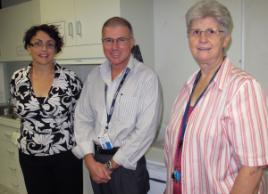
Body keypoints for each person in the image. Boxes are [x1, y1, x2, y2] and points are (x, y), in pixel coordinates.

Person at [164, 1, 268, 194]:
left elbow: (253, 168)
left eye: (211, 31)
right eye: (195, 32)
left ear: (225, 39)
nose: (202, 38)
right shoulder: (186, 88)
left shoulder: (243, 88)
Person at [74, 16, 162, 194]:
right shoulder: (94, 76)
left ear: (132, 42)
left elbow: (145, 131)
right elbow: (82, 118)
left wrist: (108, 166)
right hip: (96, 161)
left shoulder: (146, 77)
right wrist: (90, 161)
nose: (114, 47)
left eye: (121, 40)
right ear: (102, 43)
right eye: (108, 40)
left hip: (127, 165)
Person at [10, 24, 83, 194]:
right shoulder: (17, 78)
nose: (44, 49)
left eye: (50, 44)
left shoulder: (70, 79)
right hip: (29, 155)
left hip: (65, 155)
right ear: (29, 47)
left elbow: (81, 116)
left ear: (56, 49)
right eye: (38, 43)